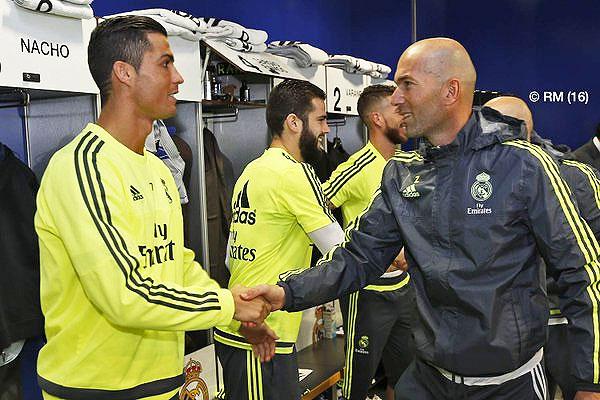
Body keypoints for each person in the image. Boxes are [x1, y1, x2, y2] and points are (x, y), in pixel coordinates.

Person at [243, 37, 600, 400]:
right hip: (429, 380)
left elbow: (582, 273)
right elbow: (358, 258)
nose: (396, 98)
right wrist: (287, 291)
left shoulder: (523, 166)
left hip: (508, 386)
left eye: (407, 84)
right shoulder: (402, 174)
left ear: (450, 91)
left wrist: (591, 382)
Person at [34, 16, 269, 400]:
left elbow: (176, 263)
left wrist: (232, 306)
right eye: (165, 64)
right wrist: (227, 305)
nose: (178, 78)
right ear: (124, 73)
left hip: (160, 383)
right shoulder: (83, 166)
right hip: (95, 390)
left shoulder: (158, 169)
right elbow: (125, 294)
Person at [214, 79, 345, 400]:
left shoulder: (252, 169)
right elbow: (342, 250)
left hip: (243, 326)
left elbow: (232, 256)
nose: (327, 130)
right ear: (294, 123)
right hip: (259, 334)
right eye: (322, 119)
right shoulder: (294, 173)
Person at [484, 95, 600, 400]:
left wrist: (593, 380)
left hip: (567, 323)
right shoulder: (479, 182)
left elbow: (592, 267)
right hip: (512, 332)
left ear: (524, 131)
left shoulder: (575, 177)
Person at [322, 84, 414, 400]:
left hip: (405, 288)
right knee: (357, 384)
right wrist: (353, 252)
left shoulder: (409, 163)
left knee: (407, 379)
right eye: (396, 109)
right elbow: (317, 210)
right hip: (367, 293)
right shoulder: (357, 167)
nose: (404, 114)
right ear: (376, 118)